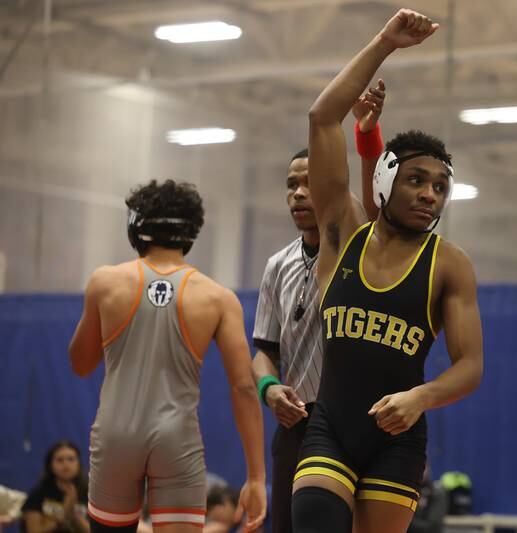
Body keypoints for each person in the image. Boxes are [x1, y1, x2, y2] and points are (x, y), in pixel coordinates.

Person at [291, 9, 484, 533]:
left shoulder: (448, 263)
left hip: (396, 440)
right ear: (384, 182)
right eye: (417, 180)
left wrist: (422, 397)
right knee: (315, 520)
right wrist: (384, 43)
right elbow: (321, 118)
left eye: (441, 186)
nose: (429, 194)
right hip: (330, 426)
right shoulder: (342, 232)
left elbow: (470, 366)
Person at [68, 180, 266, 533]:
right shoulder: (218, 298)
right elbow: (244, 388)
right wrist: (255, 476)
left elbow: (80, 364)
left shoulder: (106, 282)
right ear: (191, 232)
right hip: (177, 438)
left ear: (136, 226)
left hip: (116, 434)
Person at [250, 85, 386, 533]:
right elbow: (263, 351)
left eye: (309, 182)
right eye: (291, 185)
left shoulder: (354, 244)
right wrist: (270, 389)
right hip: (296, 423)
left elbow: (371, 203)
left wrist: (367, 135)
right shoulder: (276, 265)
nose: (299, 193)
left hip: (354, 419)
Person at [21, 441, 89, 533]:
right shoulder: (38, 494)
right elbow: (33, 530)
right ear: (50, 465)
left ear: (78, 464)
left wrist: (73, 514)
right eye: (60, 460)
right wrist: (63, 513)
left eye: (71, 459)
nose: (66, 464)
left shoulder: (90, 493)